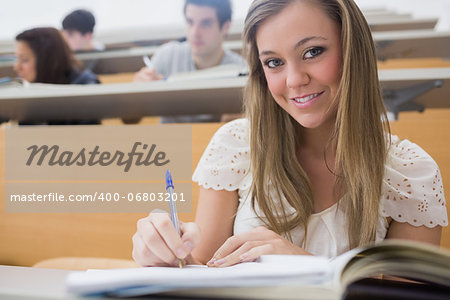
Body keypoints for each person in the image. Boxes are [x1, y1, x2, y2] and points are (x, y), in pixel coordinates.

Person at [132, 0, 448, 268]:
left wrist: (304, 267)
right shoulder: (236, 146)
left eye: (312, 52)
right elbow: (202, 271)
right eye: (274, 62)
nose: (294, 80)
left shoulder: (411, 174)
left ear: (352, 49)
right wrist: (164, 257)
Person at [133, 0, 246, 123]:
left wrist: (238, 122)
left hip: (212, 139)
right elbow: (130, 120)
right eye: (190, 22)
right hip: (172, 139)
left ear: (225, 27)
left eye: (206, 24)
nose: (195, 33)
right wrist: (135, 95)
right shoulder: (167, 55)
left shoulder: (241, 70)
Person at [14, 27, 100, 124]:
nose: (17, 67)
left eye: (24, 60)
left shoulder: (85, 87)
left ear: (47, 60)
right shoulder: (27, 90)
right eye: (17, 59)